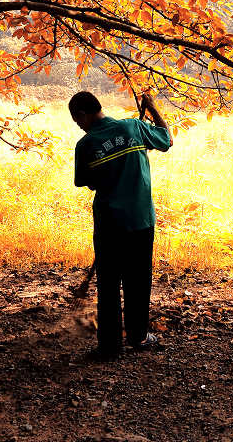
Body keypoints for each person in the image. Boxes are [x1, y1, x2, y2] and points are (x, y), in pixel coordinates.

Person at [69, 91, 172, 360]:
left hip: (109, 224)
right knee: (138, 280)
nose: (78, 125)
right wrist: (152, 108)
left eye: (76, 120)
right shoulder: (134, 127)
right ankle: (138, 336)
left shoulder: (86, 144)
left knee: (109, 283)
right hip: (141, 220)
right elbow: (166, 139)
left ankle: (110, 346)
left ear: (83, 114)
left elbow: (86, 182)